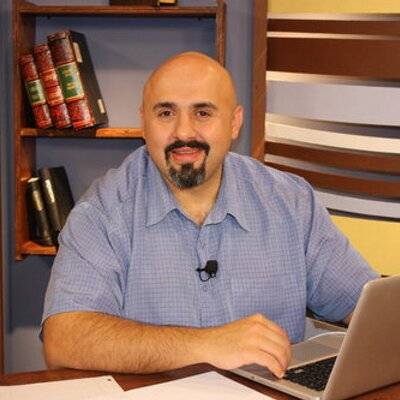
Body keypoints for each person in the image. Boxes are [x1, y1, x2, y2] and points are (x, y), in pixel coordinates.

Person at [41, 52, 378, 378]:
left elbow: (368, 308)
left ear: (234, 123)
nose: (184, 133)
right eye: (166, 113)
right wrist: (206, 344)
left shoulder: (292, 202)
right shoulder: (101, 212)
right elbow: (64, 339)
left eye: (203, 113)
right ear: (144, 122)